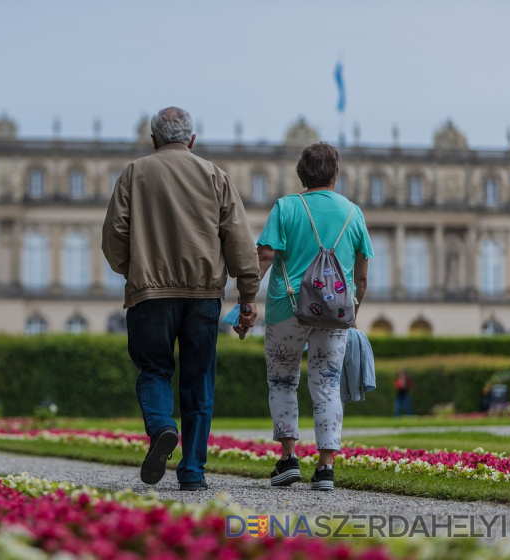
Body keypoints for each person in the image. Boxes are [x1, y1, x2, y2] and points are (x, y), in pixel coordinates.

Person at [102, 106, 261, 491]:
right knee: (198, 379)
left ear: (154, 140)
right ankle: (192, 471)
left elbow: (113, 238)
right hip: (203, 295)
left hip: (149, 294)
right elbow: (239, 241)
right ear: (192, 140)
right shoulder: (215, 175)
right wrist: (248, 296)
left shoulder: (135, 173)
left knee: (154, 370)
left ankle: (161, 428)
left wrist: (133, 269)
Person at [252, 142, 373, 491]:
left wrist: (247, 299)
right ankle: (325, 467)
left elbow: (264, 256)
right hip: (336, 313)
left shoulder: (286, 207)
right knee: (327, 384)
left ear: (301, 174)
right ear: (335, 175)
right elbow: (362, 275)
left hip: (286, 309)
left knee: (282, 381)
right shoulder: (354, 213)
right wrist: (353, 311)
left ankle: (289, 459)